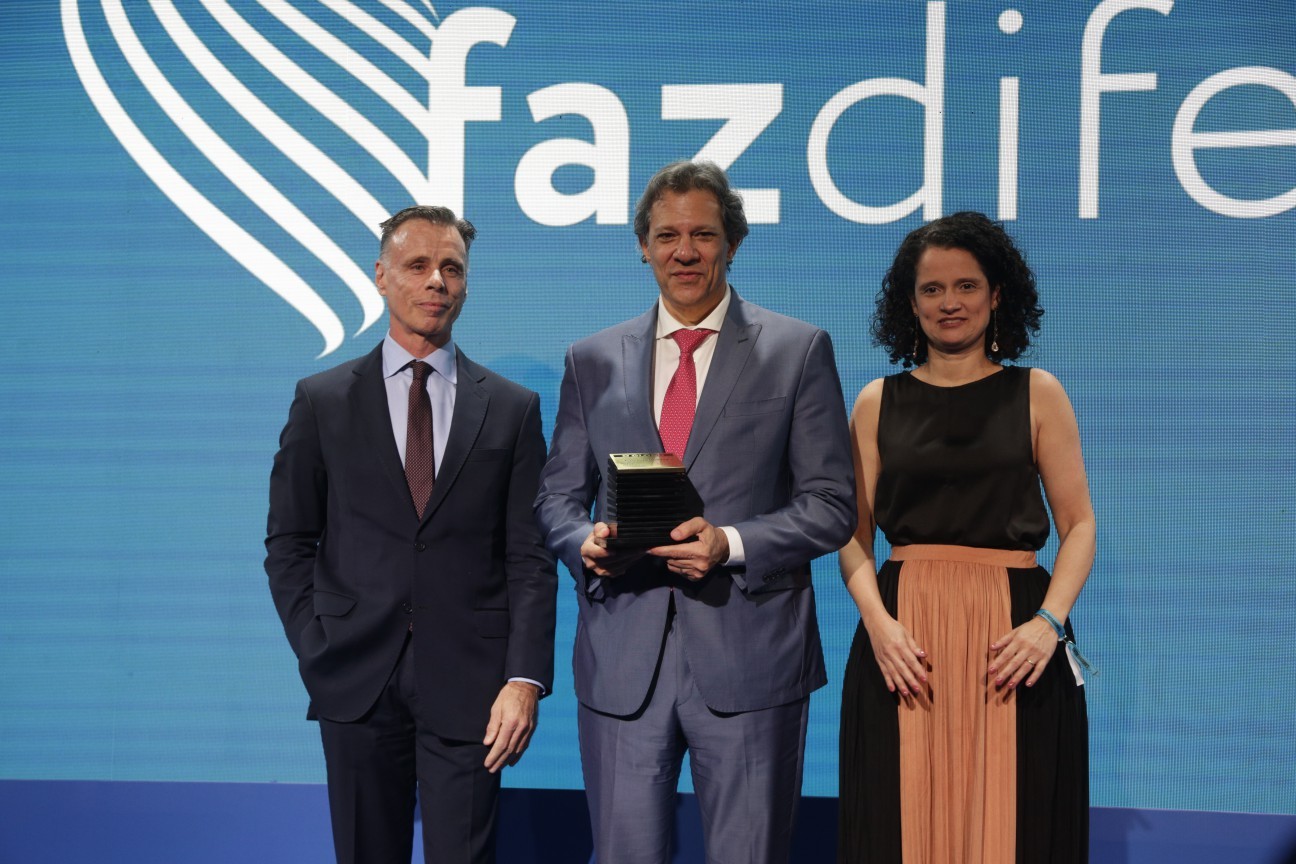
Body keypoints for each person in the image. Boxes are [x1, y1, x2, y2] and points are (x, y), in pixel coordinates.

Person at [535, 160, 856, 864]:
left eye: (703, 235)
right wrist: (582, 540)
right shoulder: (592, 359)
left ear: (732, 243)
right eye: (667, 236)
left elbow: (832, 505)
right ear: (643, 246)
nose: (685, 252)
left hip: (752, 658)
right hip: (623, 656)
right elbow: (556, 496)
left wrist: (730, 543)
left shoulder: (797, 350)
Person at [264, 205, 557, 864]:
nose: (437, 281)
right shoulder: (323, 400)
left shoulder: (512, 409)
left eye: (452, 268)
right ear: (381, 276)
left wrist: (523, 679)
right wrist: (317, 644)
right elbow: (289, 542)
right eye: (418, 265)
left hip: (473, 686)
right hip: (354, 680)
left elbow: (530, 557)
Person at [838, 211, 1094, 864]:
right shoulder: (874, 402)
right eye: (932, 288)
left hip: (1013, 641)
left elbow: (1079, 527)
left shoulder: (1038, 393)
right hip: (904, 641)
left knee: (1018, 823)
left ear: (997, 294)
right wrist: (879, 626)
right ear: (910, 303)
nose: (949, 302)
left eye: (967, 285)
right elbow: (851, 536)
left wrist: (1048, 624)